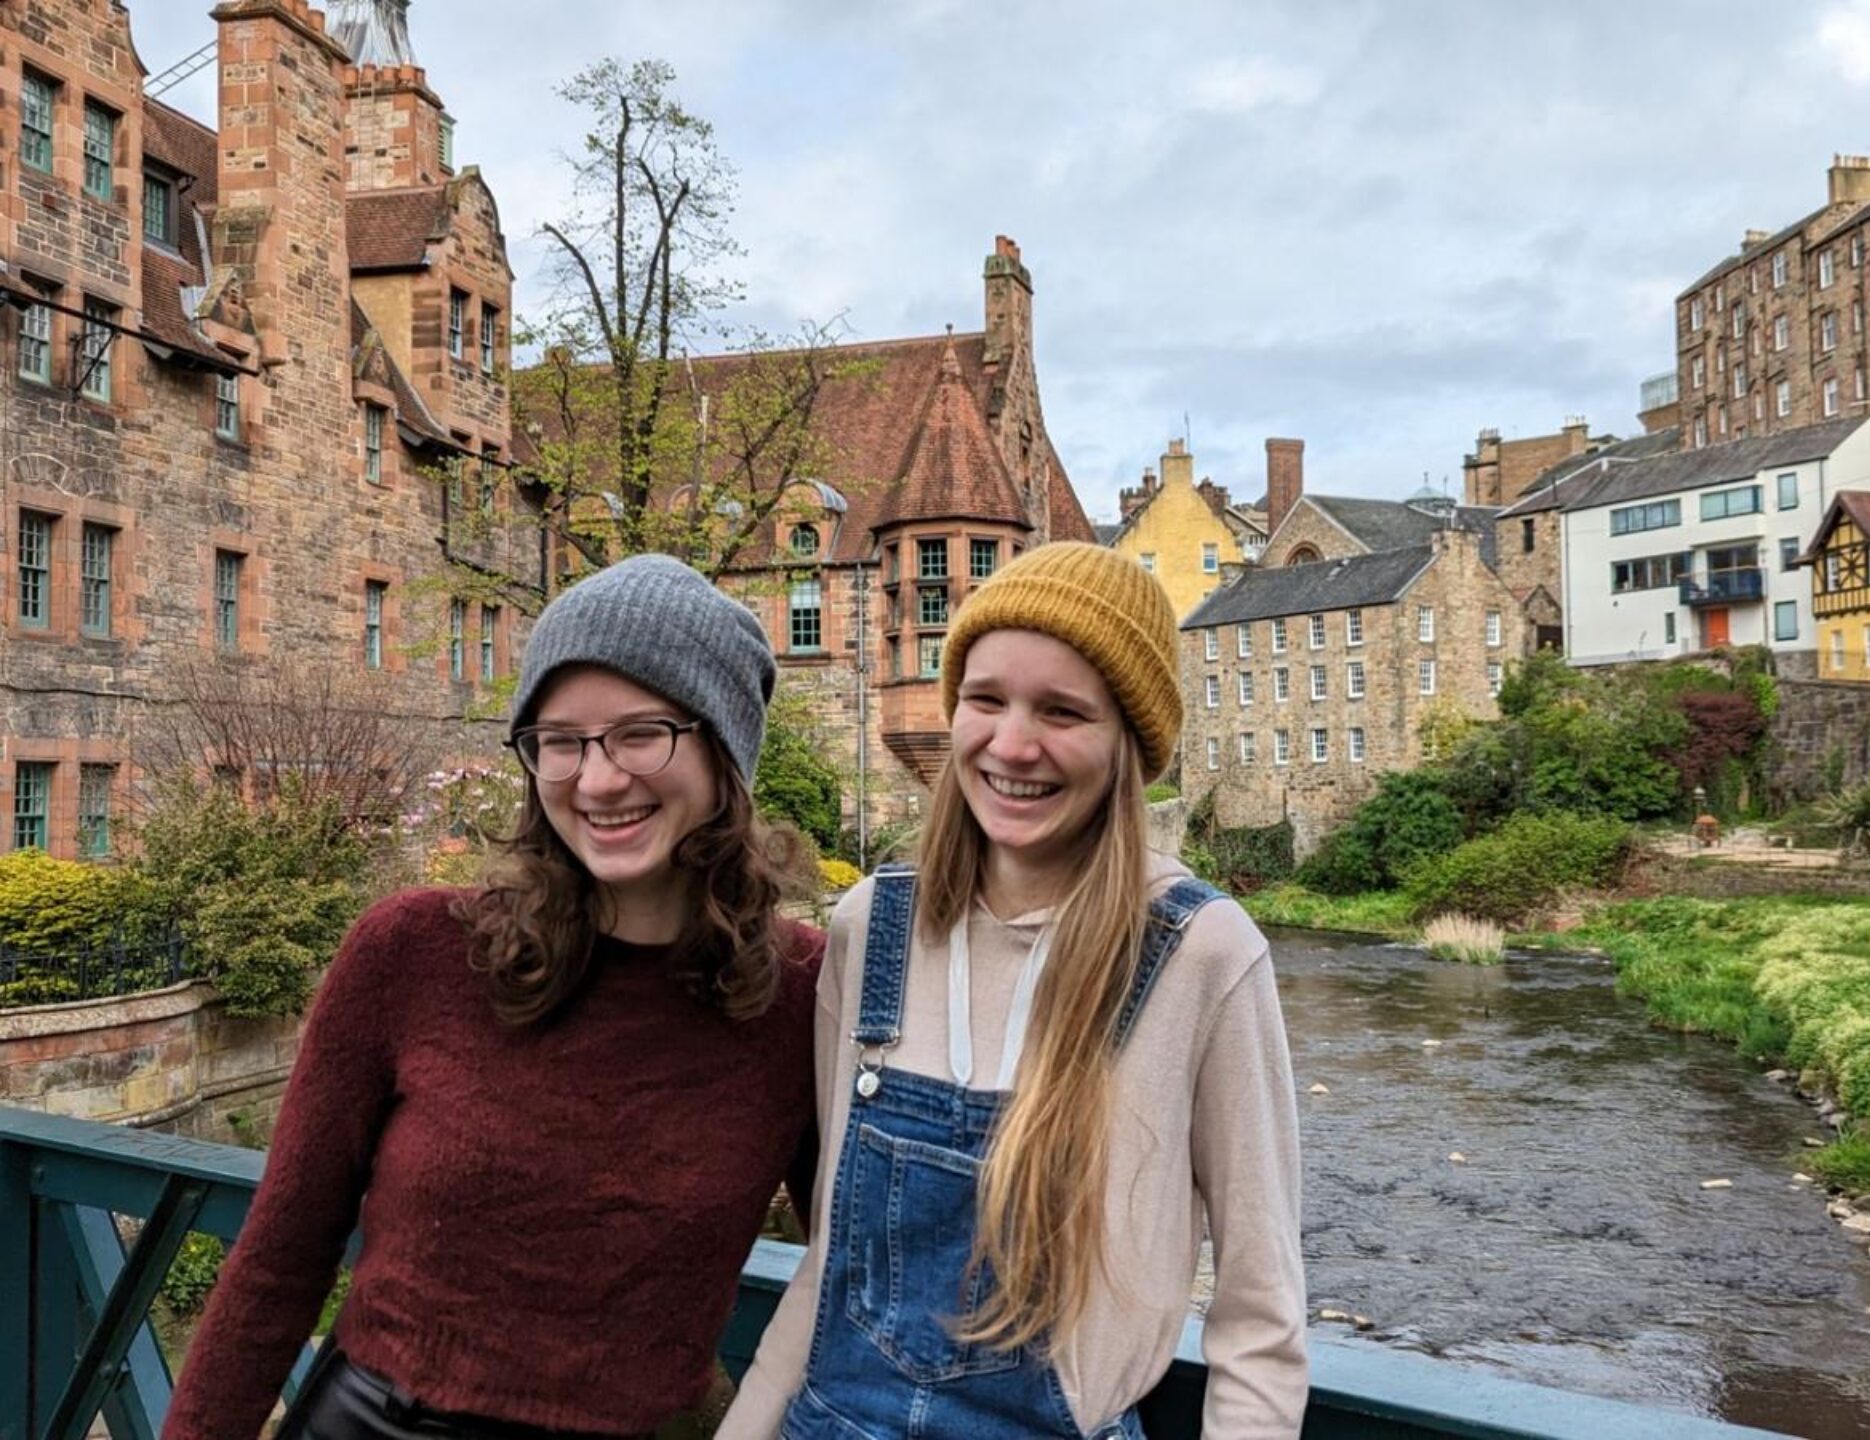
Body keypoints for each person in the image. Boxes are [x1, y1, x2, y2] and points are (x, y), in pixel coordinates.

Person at [165, 555, 823, 1440]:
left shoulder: (804, 996)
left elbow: (870, 1278)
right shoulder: (416, 952)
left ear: (724, 747)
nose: (596, 780)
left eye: (641, 733)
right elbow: (279, 1261)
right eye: (560, 739)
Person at [720, 542, 1306, 1440]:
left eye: (1063, 711)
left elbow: (1260, 1319)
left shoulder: (1201, 954)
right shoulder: (870, 927)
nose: (1012, 743)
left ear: (1127, 747)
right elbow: (832, 1256)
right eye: (986, 699)